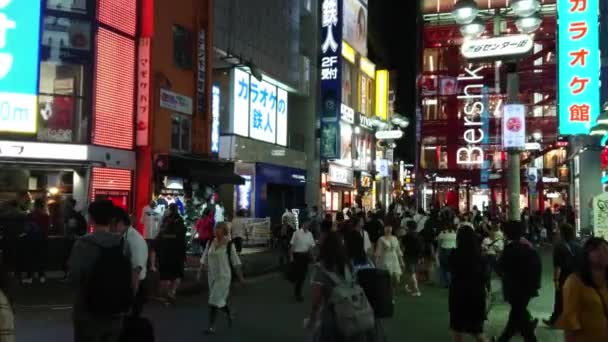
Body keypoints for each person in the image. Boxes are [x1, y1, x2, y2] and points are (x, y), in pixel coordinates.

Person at [68, 200, 133, 342]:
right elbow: (130, 275)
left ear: (90, 219)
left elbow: (74, 277)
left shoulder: (83, 244)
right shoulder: (123, 244)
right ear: (112, 219)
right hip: (115, 311)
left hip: (87, 311)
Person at [306, 231, 375, 341]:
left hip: (332, 318)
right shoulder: (348, 264)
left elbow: (316, 300)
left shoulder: (320, 270)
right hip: (353, 315)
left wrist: (312, 318)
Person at [495, 221, 541, 342]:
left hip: (513, 289)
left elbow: (500, 268)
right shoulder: (528, 248)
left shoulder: (509, 249)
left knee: (518, 316)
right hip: (527, 288)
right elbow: (537, 266)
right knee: (518, 315)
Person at [555, 237, 608, 341]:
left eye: (606, 249)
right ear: (586, 255)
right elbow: (570, 321)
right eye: (596, 250)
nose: (603, 253)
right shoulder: (574, 282)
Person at [200, 222, 243, 335]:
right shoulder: (210, 243)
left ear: (224, 231)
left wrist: (241, 278)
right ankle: (229, 313)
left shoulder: (229, 245)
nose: (216, 230)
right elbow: (204, 258)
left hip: (224, 277)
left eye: (219, 228)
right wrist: (200, 271)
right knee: (218, 300)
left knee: (213, 301)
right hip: (212, 276)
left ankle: (211, 327)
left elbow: (236, 263)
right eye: (215, 228)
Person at [449, 226, 488, 342]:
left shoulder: (454, 254)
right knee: (477, 332)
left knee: (457, 331)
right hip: (476, 294)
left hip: (458, 294)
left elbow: (451, 270)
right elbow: (484, 275)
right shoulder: (480, 255)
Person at [113, 207, 148, 317]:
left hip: (134, 287)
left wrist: (131, 298)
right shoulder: (123, 237)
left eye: (114, 223)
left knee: (130, 321)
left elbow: (136, 271)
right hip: (127, 286)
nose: (111, 227)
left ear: (121, 223)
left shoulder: (134, 240)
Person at [544, 223, 582, 327]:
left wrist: (555, 280)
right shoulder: (579, 245)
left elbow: (557, 266)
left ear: (562, 234)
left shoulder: (559, 247)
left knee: (560, 299)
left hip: (565, 276)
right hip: (577, 276)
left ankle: (555, 321)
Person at [157, 203, 186, 305]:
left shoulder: (165, 221)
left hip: (165, 252)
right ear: (177, 209)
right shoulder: (180, 221)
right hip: (177, 252)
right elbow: (182, 238)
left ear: (169, 209)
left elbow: (160, 235)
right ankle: (171, 292)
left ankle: (166, 295)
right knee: (177, 274)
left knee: (165, 275)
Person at [22, 198, 49, 284]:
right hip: (42, 239)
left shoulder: (30, 215)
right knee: (41, 258)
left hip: (32, 239)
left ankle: (30, 277)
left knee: (30, 258)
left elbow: (26, 228)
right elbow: (47, 229)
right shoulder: (46, 216)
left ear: (35, 205)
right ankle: (42, 276)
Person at [290, 218, 316, 301]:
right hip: (298, 256)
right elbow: (292, 246)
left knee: (303, 276)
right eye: (306, 223)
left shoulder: (310, 234)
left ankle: (298, 292)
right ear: (302, 224)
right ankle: (297, 294)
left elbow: (311, 247)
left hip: (305, 257)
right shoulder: (296, 233)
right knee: (299, 275)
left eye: (308, 223)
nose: (307, 225)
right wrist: (291, 256)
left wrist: (313, 258)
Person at [375, 224, 405, 292]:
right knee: (388, 277)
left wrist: (401, 261)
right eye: (386, 228)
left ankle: (393, 289)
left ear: (392, 229)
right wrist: (376, 263)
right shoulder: (381, 239)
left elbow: (398, 250)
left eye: (390, 227)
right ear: (384, 229)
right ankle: (389, 291)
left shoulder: (395, 238)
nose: (388, 229)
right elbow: (378, 251)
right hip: (385, 259)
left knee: (397, 278)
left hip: (394, 259)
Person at [63, 199, 87, 279]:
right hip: (76, 239)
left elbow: (71, 227)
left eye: (67, 204)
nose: (65, 206)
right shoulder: (78, 215)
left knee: (70, 257)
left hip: (72, 240)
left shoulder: (72, 215)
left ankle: (69, 275)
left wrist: (70, 235)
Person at [402, 220, 424, 296]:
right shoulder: (419, 236)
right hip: (416, 257)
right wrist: (421, 257)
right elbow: (421, 247)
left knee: (411, 273)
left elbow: (402, 246)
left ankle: (416, 290)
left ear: (409, 227)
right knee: (411, 272)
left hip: (408, 256)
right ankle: (408, 286)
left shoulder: (406, 236)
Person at [481, 224, 504, 293]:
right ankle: (488, 290)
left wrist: (496, 250)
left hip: (494, 258)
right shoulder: (485, 240)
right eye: (491, 233)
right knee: (487, 274)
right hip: (488, 257)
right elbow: (482, 250)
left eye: (493, 234)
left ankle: (489, 290)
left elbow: (500, 251)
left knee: (489, 273)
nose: (492, 234)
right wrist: (485, 248)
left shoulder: (499, 241)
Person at [141, 200, 161, 272]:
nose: (153, 206)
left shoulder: (159, 209)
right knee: (147, 250)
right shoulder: (145, 209)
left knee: (153, 250)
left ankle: (151, 266)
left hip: (154, 234)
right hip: (147, 234)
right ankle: (146, 266)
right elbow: (142, 220)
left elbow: (142, 221)